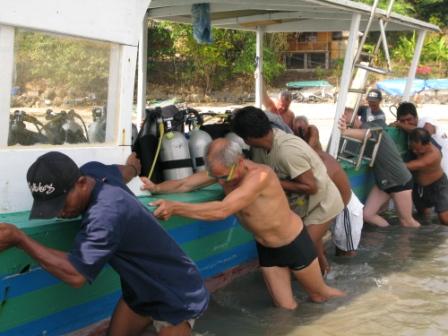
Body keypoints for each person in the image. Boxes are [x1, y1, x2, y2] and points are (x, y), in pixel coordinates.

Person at [0, 152, 209, 336]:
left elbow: (76, 274)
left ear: (81, 183)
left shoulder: (105, 213)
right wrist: (133, 168)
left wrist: (20, 239)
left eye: (61, 204)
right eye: (51, 207)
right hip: (139, 289)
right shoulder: (93, 171)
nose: (60, 213)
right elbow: (121, 172)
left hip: (175, 291)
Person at [141, 138, 345, 310]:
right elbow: (184, 184)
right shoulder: (223, 171)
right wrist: (156, 187)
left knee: (320, 295)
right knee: (285, 309)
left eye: (224, 177)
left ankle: (360, 309)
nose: (220, 182)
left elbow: (222, 210)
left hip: (293, 243)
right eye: (216, 176)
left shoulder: (260, 176)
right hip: (266, 248)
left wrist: (176, 208)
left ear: (239, 161)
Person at [232, 106, 344, 275]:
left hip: (323, 203)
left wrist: (273, 181)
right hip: (302, 205)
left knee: (302, 252)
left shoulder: (286, 151)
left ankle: (323, 290)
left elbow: (311, 187)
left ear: (247, 138)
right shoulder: (259, 149)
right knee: (313, 249)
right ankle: (325, 273)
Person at [340, 109, 421, 228]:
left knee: (407, 221)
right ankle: (389, 234)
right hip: (384, 181)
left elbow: (368, 134)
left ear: (356, 118)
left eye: (347, 120)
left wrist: (345, 131)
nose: (346, 122)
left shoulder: (369, 126)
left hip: (399, 179)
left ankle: (418, 243)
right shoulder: (362, 130)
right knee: (367, 215)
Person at [316, 150, 363, 257]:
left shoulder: (324, 163)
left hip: (346, 210)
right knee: (340, 250)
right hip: (337, 207)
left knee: (346, 254)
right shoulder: (321, 159)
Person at [406, 128, 448, 225]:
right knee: (422, 214)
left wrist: (390, 162)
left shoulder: (434, 154)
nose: (415, 151)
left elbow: (414, 165)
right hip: (419, 187)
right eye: (413, 148)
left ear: (427, 143)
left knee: (444, 217)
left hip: (438, 186)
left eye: (418, 148)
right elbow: (412, 130)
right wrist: (399, 124)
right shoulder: (418, 141)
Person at [394, 101, 448, 175]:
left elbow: (425, 133)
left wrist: (400, 124)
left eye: (409, 119)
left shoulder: (426, 120)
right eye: (402, 121)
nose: (406, 123)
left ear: (416, 117)